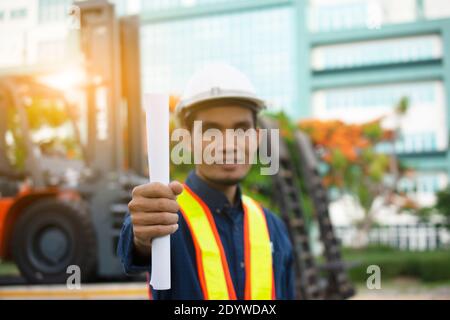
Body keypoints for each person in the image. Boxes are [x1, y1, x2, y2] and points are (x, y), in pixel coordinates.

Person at [117, 63, 295, 300]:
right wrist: (141, 237)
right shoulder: (166, 216)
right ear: (188, 140)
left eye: (241, 130)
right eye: (211, 131)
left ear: (258, 138)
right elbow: (139, 241)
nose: (228, 144)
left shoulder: (273, 226)